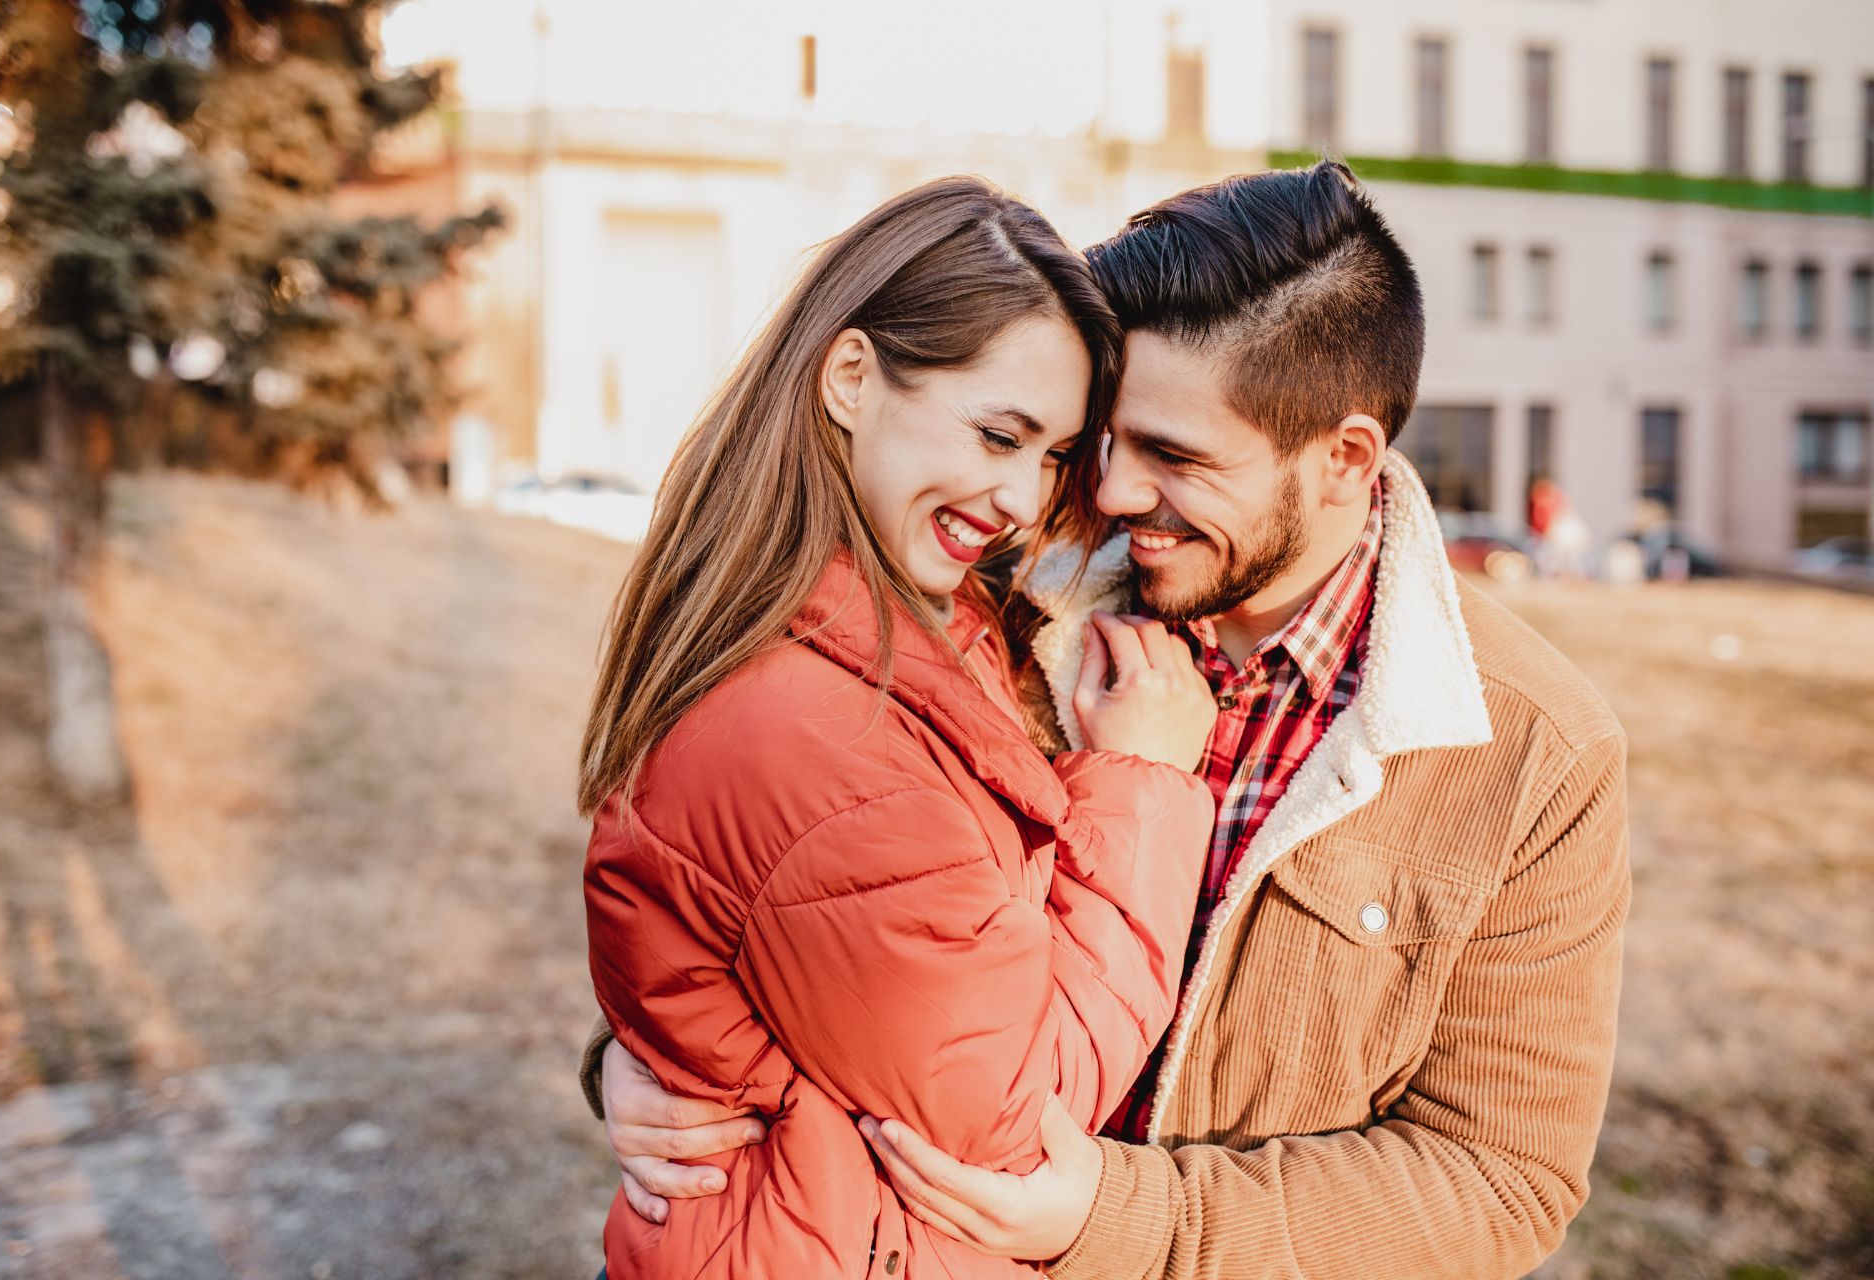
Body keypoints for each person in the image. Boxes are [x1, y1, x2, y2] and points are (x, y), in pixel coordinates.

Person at [589, 162, 1631, 1280]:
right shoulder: (991, 584)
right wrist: (652, 1058)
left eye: (1176, 456)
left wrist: (1118, 1217)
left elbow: (1499, 1176)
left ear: (1344, 460)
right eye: (1102, 440)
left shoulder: (1528, 750)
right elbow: (763, 866)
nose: (1110, 495)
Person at [577, 176, 1225, 1279]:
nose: (1025, 496)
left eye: (1053, 454)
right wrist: (1145, 782)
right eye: (997, 432)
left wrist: (625, 1056)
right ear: (849, 375)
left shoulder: (905, 621)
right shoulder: (822, 740)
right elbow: (1018, 1115)